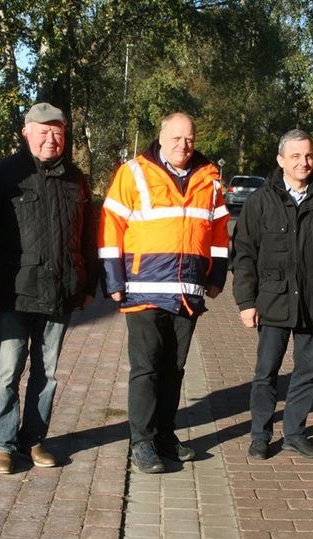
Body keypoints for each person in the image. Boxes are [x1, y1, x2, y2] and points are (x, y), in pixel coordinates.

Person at [0, 102, 98, 475]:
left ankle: (34, 439)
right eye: (42, 131)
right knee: (8, 371)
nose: (50, 138)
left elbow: (89, 235)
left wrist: (88, 284)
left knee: (48, 373)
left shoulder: (76, 178)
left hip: (60, 293)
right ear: (27, 134)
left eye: (57, 131)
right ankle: (3, 444)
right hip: (12, 292)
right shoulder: (3, 175)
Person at [99, 112, 229, 474]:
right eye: (175, 138)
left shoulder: (211, 180)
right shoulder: (134, 173)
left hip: (187, 291)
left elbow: (218, 235)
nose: (182, 146)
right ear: (161, 137)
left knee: (175, 368)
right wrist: (113, 281)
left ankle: (166, 436)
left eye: (188, 139)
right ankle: (142, 442)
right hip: (144, 290)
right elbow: (111, 226)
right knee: (147, 369)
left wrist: (216, 276)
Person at [232, 129, 313, 460]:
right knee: (266, 373)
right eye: (296, 156)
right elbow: (243, 254)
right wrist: (245, 302)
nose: (304, 162)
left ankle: (295, 433)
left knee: (307, 372)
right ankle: (260, 435)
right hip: (272, 300)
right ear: (281, 160)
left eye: (309, 155)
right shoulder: (261, 201)